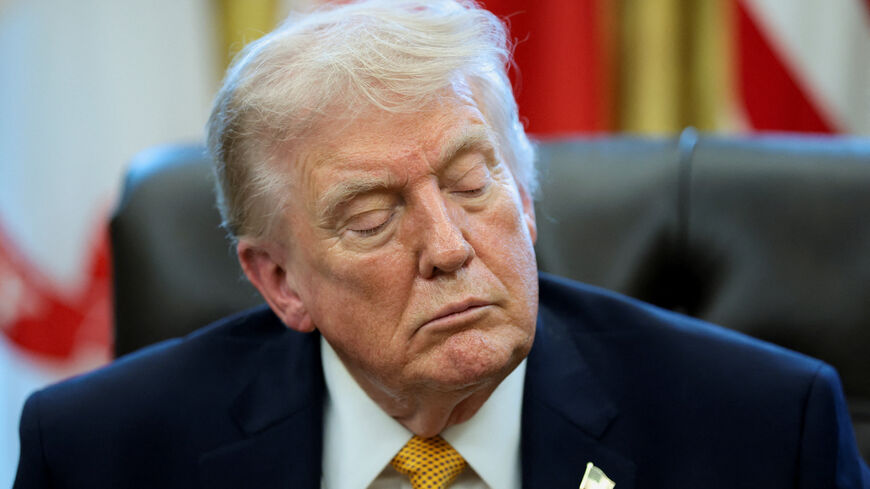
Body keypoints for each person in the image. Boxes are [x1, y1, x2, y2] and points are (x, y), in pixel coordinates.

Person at [14, 1, 870, 488]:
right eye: (373, 216)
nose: (449, 246)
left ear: (526, 199)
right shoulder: (101, 455)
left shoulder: (762, 434)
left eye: (472, 182)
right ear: (279, 280)